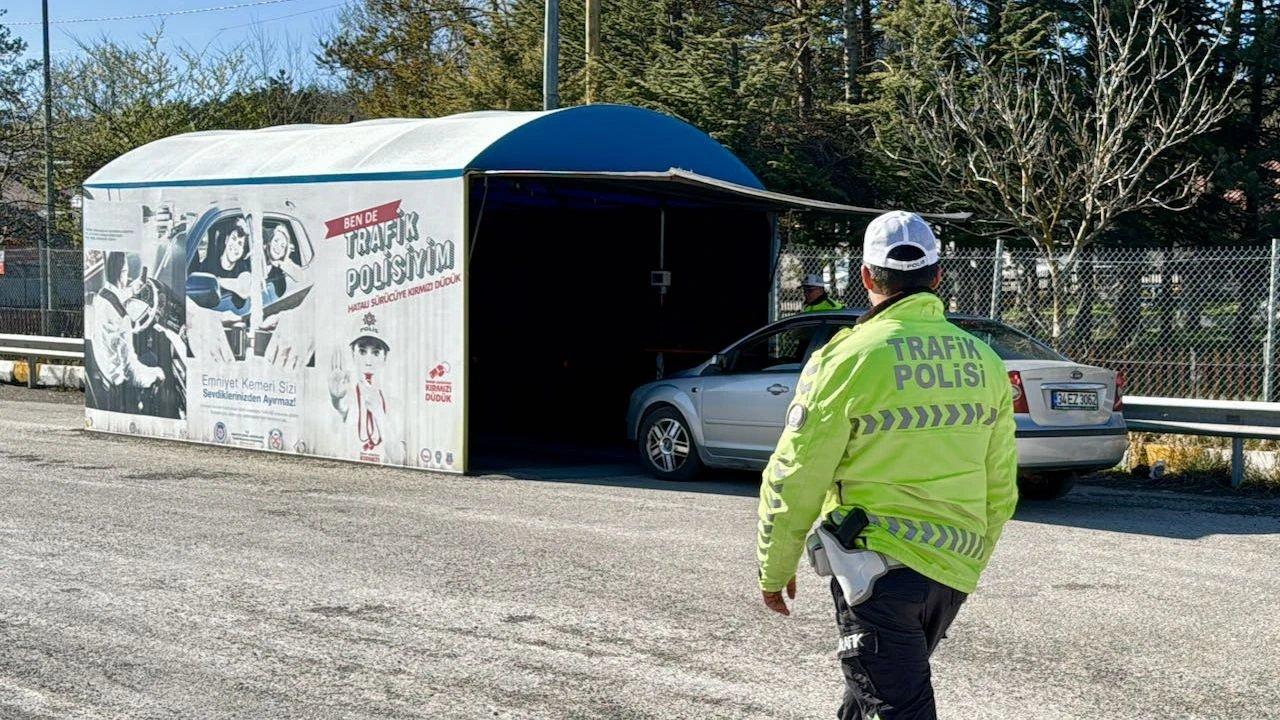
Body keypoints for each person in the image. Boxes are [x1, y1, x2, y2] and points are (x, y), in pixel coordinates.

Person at [756, 210, 1018, 720]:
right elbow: (1001, 486)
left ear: (867, 277)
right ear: (937, 277)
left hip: (877, 573)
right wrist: (968, 559)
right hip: (949, 574)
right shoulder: (984, 361)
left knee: (893, 708)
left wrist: (775, 563)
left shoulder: (847, 357)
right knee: (870, 700)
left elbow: (796, 472)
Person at [328, 313, 405, 465]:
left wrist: (378, 412)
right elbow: (341, 408)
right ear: (353, 354)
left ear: (385, 357)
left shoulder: (395, 404)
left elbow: (398, 459)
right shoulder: (347, 394)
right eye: (362, 351)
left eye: (376, 353)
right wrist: (336, 398)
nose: (368, 361)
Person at [90, 252, 165, 408]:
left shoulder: (101, 298)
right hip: (120, 384)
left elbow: (115, 298)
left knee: (149, 357)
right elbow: (130, 371)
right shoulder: (122, 319)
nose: (127, 275)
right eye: (125, 271)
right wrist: (155, 374)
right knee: (155, 362)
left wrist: (133, 289)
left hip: (102, 369)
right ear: (120, 272)